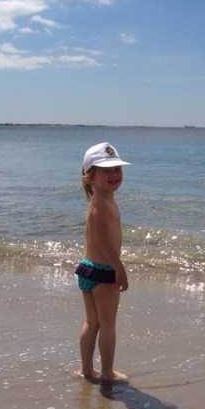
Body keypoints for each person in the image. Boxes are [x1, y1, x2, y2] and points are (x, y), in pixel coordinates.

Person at [75, 142, 131, 383]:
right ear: (90, 176)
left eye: (117, 169)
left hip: (88, 269)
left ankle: (87, 369)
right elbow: (103, 241)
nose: (114, 174)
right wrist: (119, 267)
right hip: (103, 271)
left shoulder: (100, 200)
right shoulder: (100, 204)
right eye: (106, 171)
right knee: (107, 324)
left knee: (92, 322)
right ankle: (107, 372)